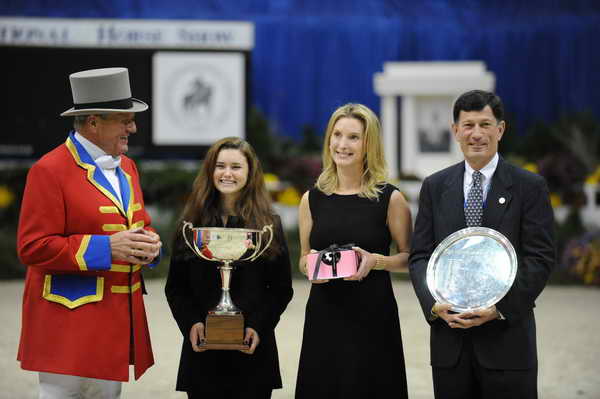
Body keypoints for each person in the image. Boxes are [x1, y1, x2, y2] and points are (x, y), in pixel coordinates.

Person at [16, 67, 162, 398]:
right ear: (93, 122)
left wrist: (149, 244)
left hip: (115, 319)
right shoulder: (48, 170)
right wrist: (106, 248)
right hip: (66, 322)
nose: (133, 128)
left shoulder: (126, 166)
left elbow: (138, 223)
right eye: (125, 120)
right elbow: (32, 247)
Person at [409, 90, 555, 399]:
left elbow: (540, 258)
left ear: (500, 130)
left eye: (485, 124)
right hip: (451, 346)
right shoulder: (435, 187)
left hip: (508, 345)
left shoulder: (529, 187)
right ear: (455, 131)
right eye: (469, 125)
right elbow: (421, 255)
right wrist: (433, 305)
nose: (477, 134)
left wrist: (499, 308)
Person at [295, 103, 412, 398]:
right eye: (337, 135)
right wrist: (309, 266)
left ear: (368, 144)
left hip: (373, 316)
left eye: (353, 137)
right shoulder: (311, 199)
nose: (342, 144)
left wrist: (375, 261)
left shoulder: (391, 198)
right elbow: (303, 258)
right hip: (324, 314)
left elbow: (410, 258)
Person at [165, 137, 293, 399]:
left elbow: (281, 289)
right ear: (210, 171)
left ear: (250, 173)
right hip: (202, 355)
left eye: (236, 167)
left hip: (253, 352)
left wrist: (257, 326)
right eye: (220, 166)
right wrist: (192, 324)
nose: (227, 173)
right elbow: (176, 288)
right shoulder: (190, 225)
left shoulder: (269, 226)